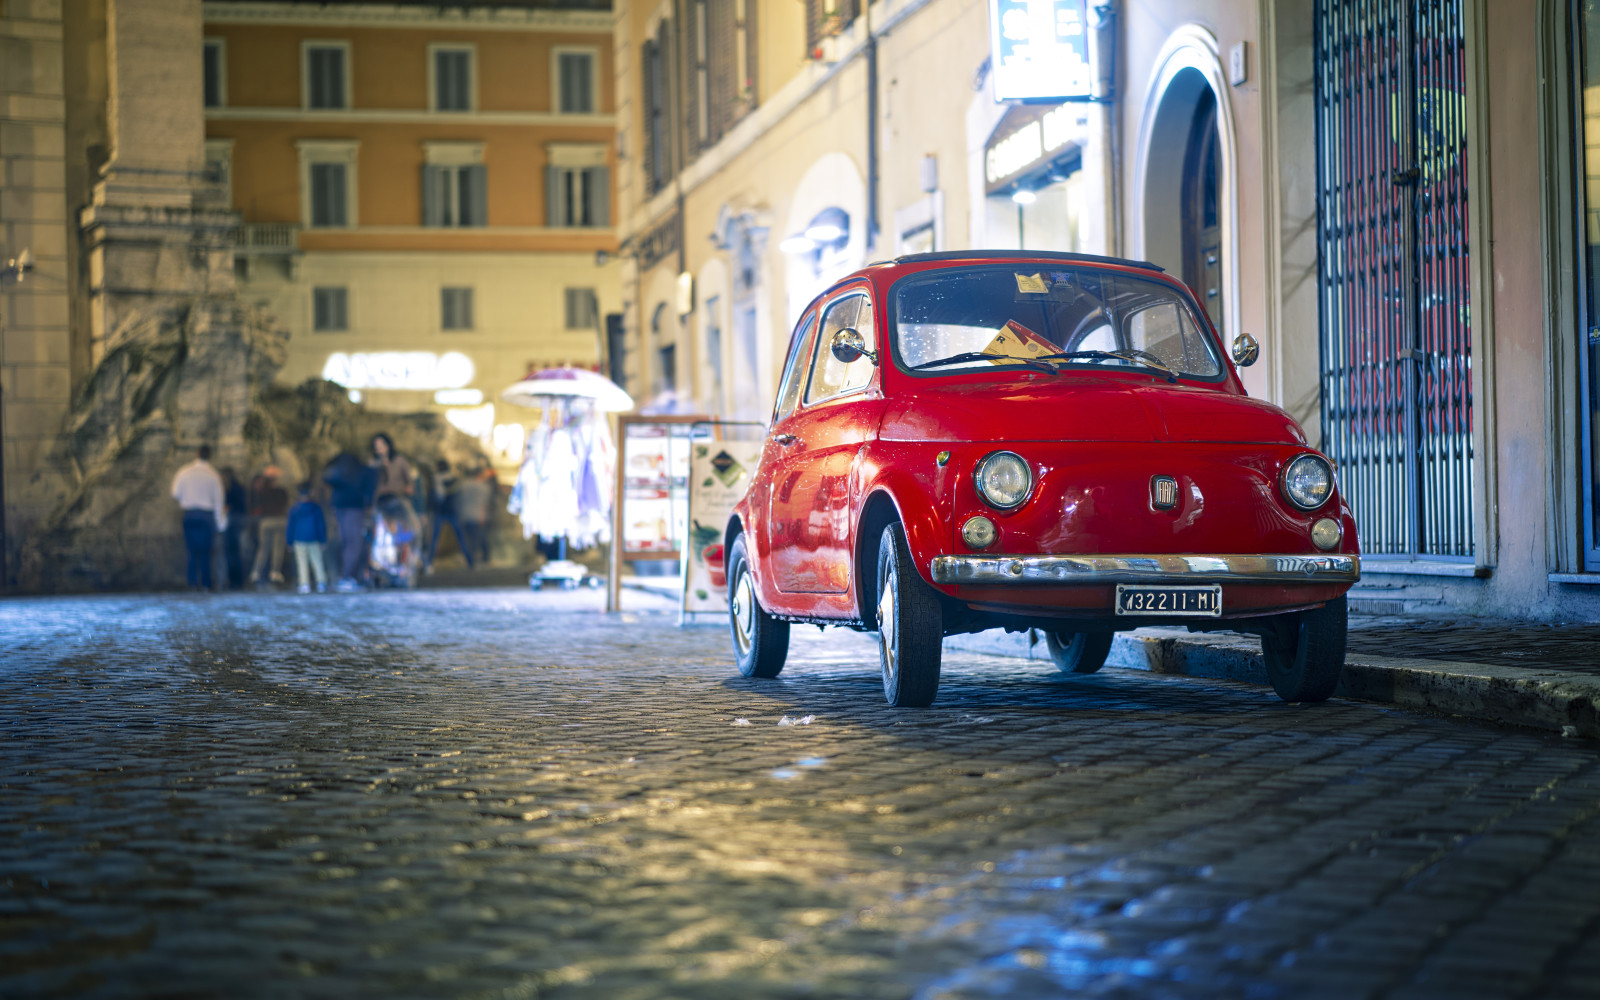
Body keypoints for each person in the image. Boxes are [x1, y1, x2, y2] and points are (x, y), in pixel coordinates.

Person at [170, 444, 227, 590]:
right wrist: (220, 522)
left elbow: (175, 493)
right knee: (206, 551)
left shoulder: (184, 472)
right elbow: (218, 501)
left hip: (189, 514)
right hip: (206, 516)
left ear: (196, 454)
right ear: (210, 456)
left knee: (191, 550)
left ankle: (192, 583)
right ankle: (206, 583)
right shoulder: (213, 475)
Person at [322, 450, 378, 591]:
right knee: (354, 543)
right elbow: (370, 488)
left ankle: (346, 576)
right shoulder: (364, 470)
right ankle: (347, 577)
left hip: (339, 506)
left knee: (346, 541)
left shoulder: (339, 469)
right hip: (355, 507)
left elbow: (327, 477)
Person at [249, 466, 290, 586]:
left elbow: (257, 507)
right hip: (280, 521)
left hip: (266, 522)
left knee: (263, 548)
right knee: (278, 548)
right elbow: (285, 505)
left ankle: (256, 572)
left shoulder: (262, 492)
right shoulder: (282, 491)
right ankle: (275, 572)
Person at [286, 482, 329, 594]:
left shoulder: (294, 509)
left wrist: (289, 541)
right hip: (314, 539)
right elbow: (321, 525)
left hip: (299, 539)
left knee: (302, 562)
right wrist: (323, 540)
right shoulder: (316, 508)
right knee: (317, 561)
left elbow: (290, 526)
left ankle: (304, 584)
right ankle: (321, 583)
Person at [427, 459, 470, 570]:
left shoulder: (437, 481)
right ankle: (470, 562)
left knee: (436, 538)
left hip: (445, 512)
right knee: (459, 538)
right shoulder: (453, 480)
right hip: (449, 511)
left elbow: (434, 497)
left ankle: (428, 562)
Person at [453, 465, 494, 570]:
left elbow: (458, 500)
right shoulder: (484, 487)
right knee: (476, 539)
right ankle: (475, 559)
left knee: (467, 539)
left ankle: (469, 560)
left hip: (465, 515)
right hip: (478, 516)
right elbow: (485, 503)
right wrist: (484, 516)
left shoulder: (462, 486)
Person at [220, 467, 248, 589]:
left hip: (232, 520)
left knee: (231, 551)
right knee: (235, 551)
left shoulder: (229, 489)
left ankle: (234, 581)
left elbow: (229, 506)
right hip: (239, 520)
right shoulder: (239, 488)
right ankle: (237, 581)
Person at [370, 433, 413, 502]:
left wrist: (407, 490)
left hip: (399, 498)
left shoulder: (400, 461)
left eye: (382, 446)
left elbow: (410, 482)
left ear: (388, 446)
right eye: (377, 448)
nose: (380, 450)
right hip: (381, 500)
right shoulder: (373, 464)